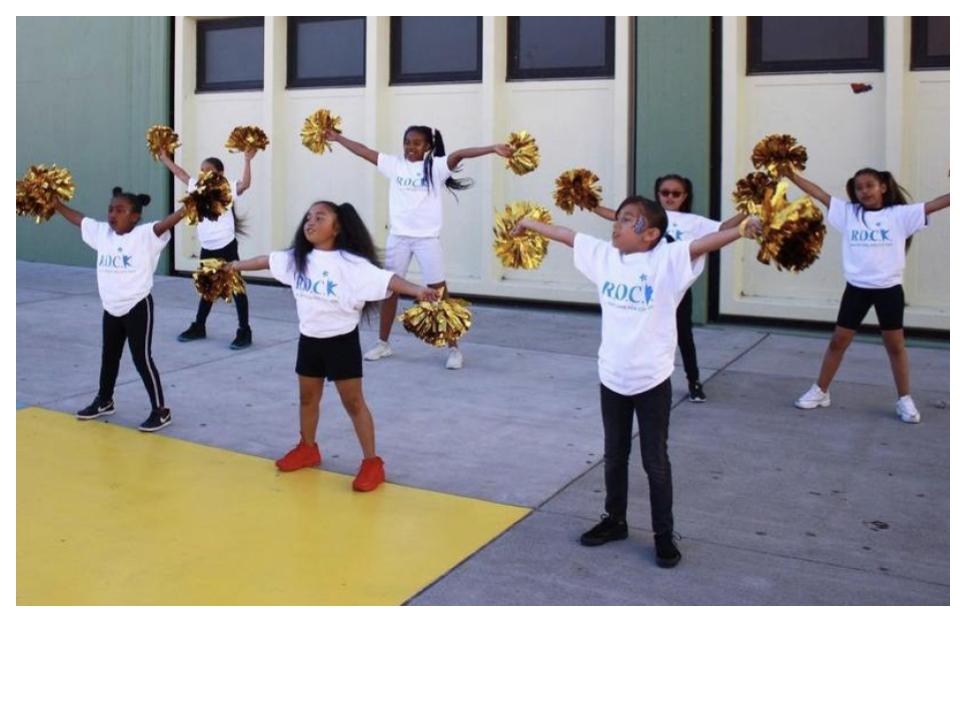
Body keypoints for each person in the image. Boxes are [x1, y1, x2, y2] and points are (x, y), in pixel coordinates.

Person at [514, 196, 761, 567]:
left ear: (651, 234)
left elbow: (702, 243)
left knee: (655, 461)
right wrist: (528, 223)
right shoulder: (605, 257)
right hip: (611, 376)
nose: (617, 224)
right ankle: (614, 520)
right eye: (618, 218)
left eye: (628, 220)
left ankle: (664, 534)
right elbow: (567, 235)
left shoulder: (668, 261)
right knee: (614, 455)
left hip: (651, 381)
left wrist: (742, 230)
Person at [229, 201, 439, 491]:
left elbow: (389, 279)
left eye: (319, 217)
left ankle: (372, 462)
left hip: (341, 341)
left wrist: (419, 290)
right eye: (308, 218)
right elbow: (266, 260)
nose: (310, 223)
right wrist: (233, 266)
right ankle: (308, 447)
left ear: (337, 227)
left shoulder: (351, 265)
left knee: (353, 403)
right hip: (309, 339)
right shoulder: (298, 259)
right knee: (307, 399)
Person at [326, 125, 511, 369]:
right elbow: (363, 151)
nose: (410, 148)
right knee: (389, 289)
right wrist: (338, 138)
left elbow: (460, 154)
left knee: (439, 293)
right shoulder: (394, 165)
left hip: (426, 240)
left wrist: (492, 148)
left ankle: (454, 349)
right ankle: (383, 343)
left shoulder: (435, 168)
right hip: (398, 238)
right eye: (407, 142)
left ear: (428, 147)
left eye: (417, 143)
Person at [789, 167, 949, 423]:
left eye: (869, 185)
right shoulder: (849, 213)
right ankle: (821, 390)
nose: (863, 191)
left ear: (883, 187)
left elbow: (937, 204)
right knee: (837, 342)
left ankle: (905, 399)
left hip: (889, 290)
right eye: (858, 188)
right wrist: (791, 174)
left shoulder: (900, 215)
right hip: (856, 290)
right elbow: (819, 194)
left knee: (895, 346)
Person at [592, 174, 745, 401]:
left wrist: (750, 209)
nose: (670, 197)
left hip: (675, 288)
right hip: (646, 285)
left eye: (676, 193)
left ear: (685, 196)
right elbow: (614, 215)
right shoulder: (649, 217)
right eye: (665, 193)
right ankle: (640, 378)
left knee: (684, 335)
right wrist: (590, 204)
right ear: (658, 195)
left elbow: (723, 228)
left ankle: (693, 381)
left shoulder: (693, 221)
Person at [54, 187, 187, 431]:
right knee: (109, 356)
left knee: (142, 358)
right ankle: (105, 400)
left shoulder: (145, 235)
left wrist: (189, 206)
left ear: (134, 216)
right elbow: (79, 219)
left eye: (120, 210)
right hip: (111, 308)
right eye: (110, 209)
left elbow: (166, 224)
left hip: (137, 306)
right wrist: (56, 204)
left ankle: (161, 410)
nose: (112, 214)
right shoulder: (102, 234)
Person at [158, 148, 257, 349]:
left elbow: (245, 183)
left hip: (227, 247)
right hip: (208, 248)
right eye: (201, 169)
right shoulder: (196, 186)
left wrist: (247, 159)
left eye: (208, 169)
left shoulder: (226, 188)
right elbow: (180, 173)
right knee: (207, 289)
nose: (203, 173)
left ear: (219, 173)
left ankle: (244, 331)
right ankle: (199, 326)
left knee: (236, 288)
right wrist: (164, 158)